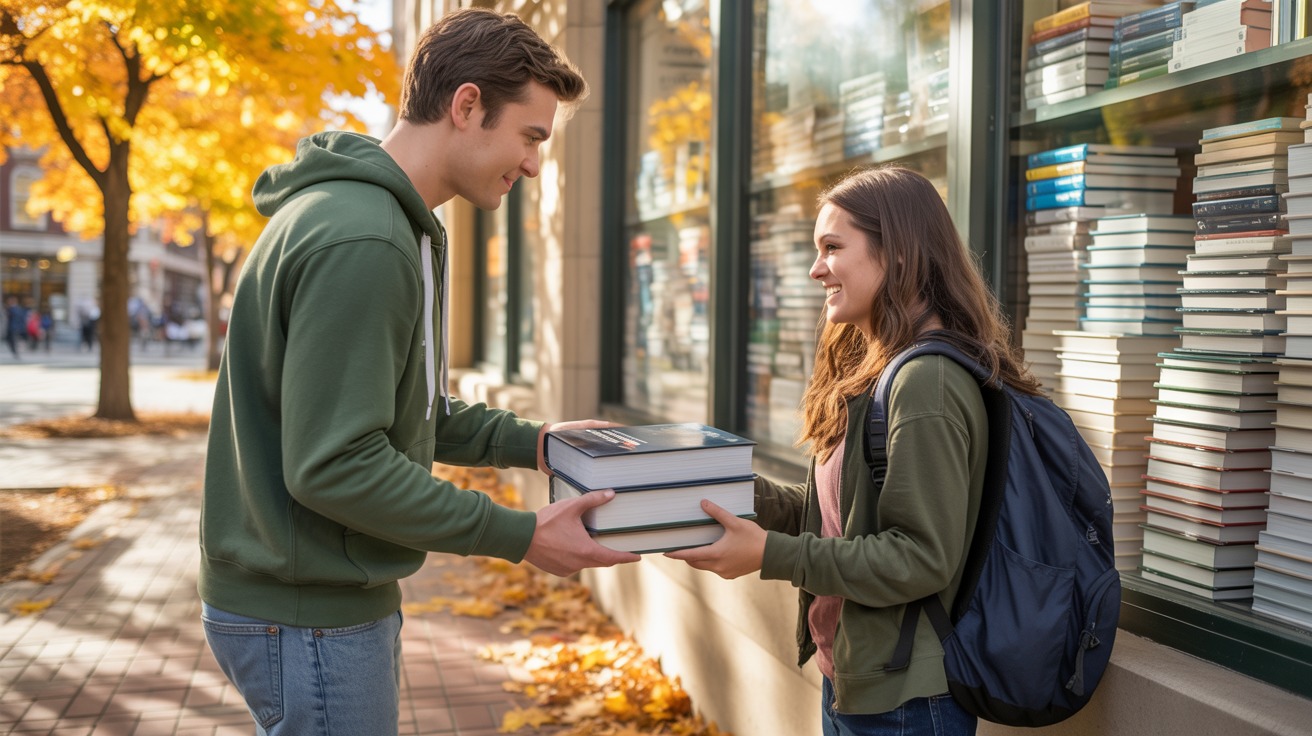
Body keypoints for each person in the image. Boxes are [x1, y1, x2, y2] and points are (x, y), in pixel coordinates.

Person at [198, 9, 639, 735]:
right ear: (467, 106)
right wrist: (520, 533)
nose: (533, 164)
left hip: (301, 600)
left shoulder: (373, 220)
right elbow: (338, 463)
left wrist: (536, 443)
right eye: (531, 136)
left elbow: (403, 410)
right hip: (311, 613)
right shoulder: (366, 238)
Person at [668, 166, 1043, 736]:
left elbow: (920, 558)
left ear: (895, 253)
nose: (817, 269)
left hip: (907, 706)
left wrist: (770, 554)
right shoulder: (879, 366)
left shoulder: (927, 383)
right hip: (852, 675)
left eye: (832, 247)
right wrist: (729, 491)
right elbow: (842, 518)